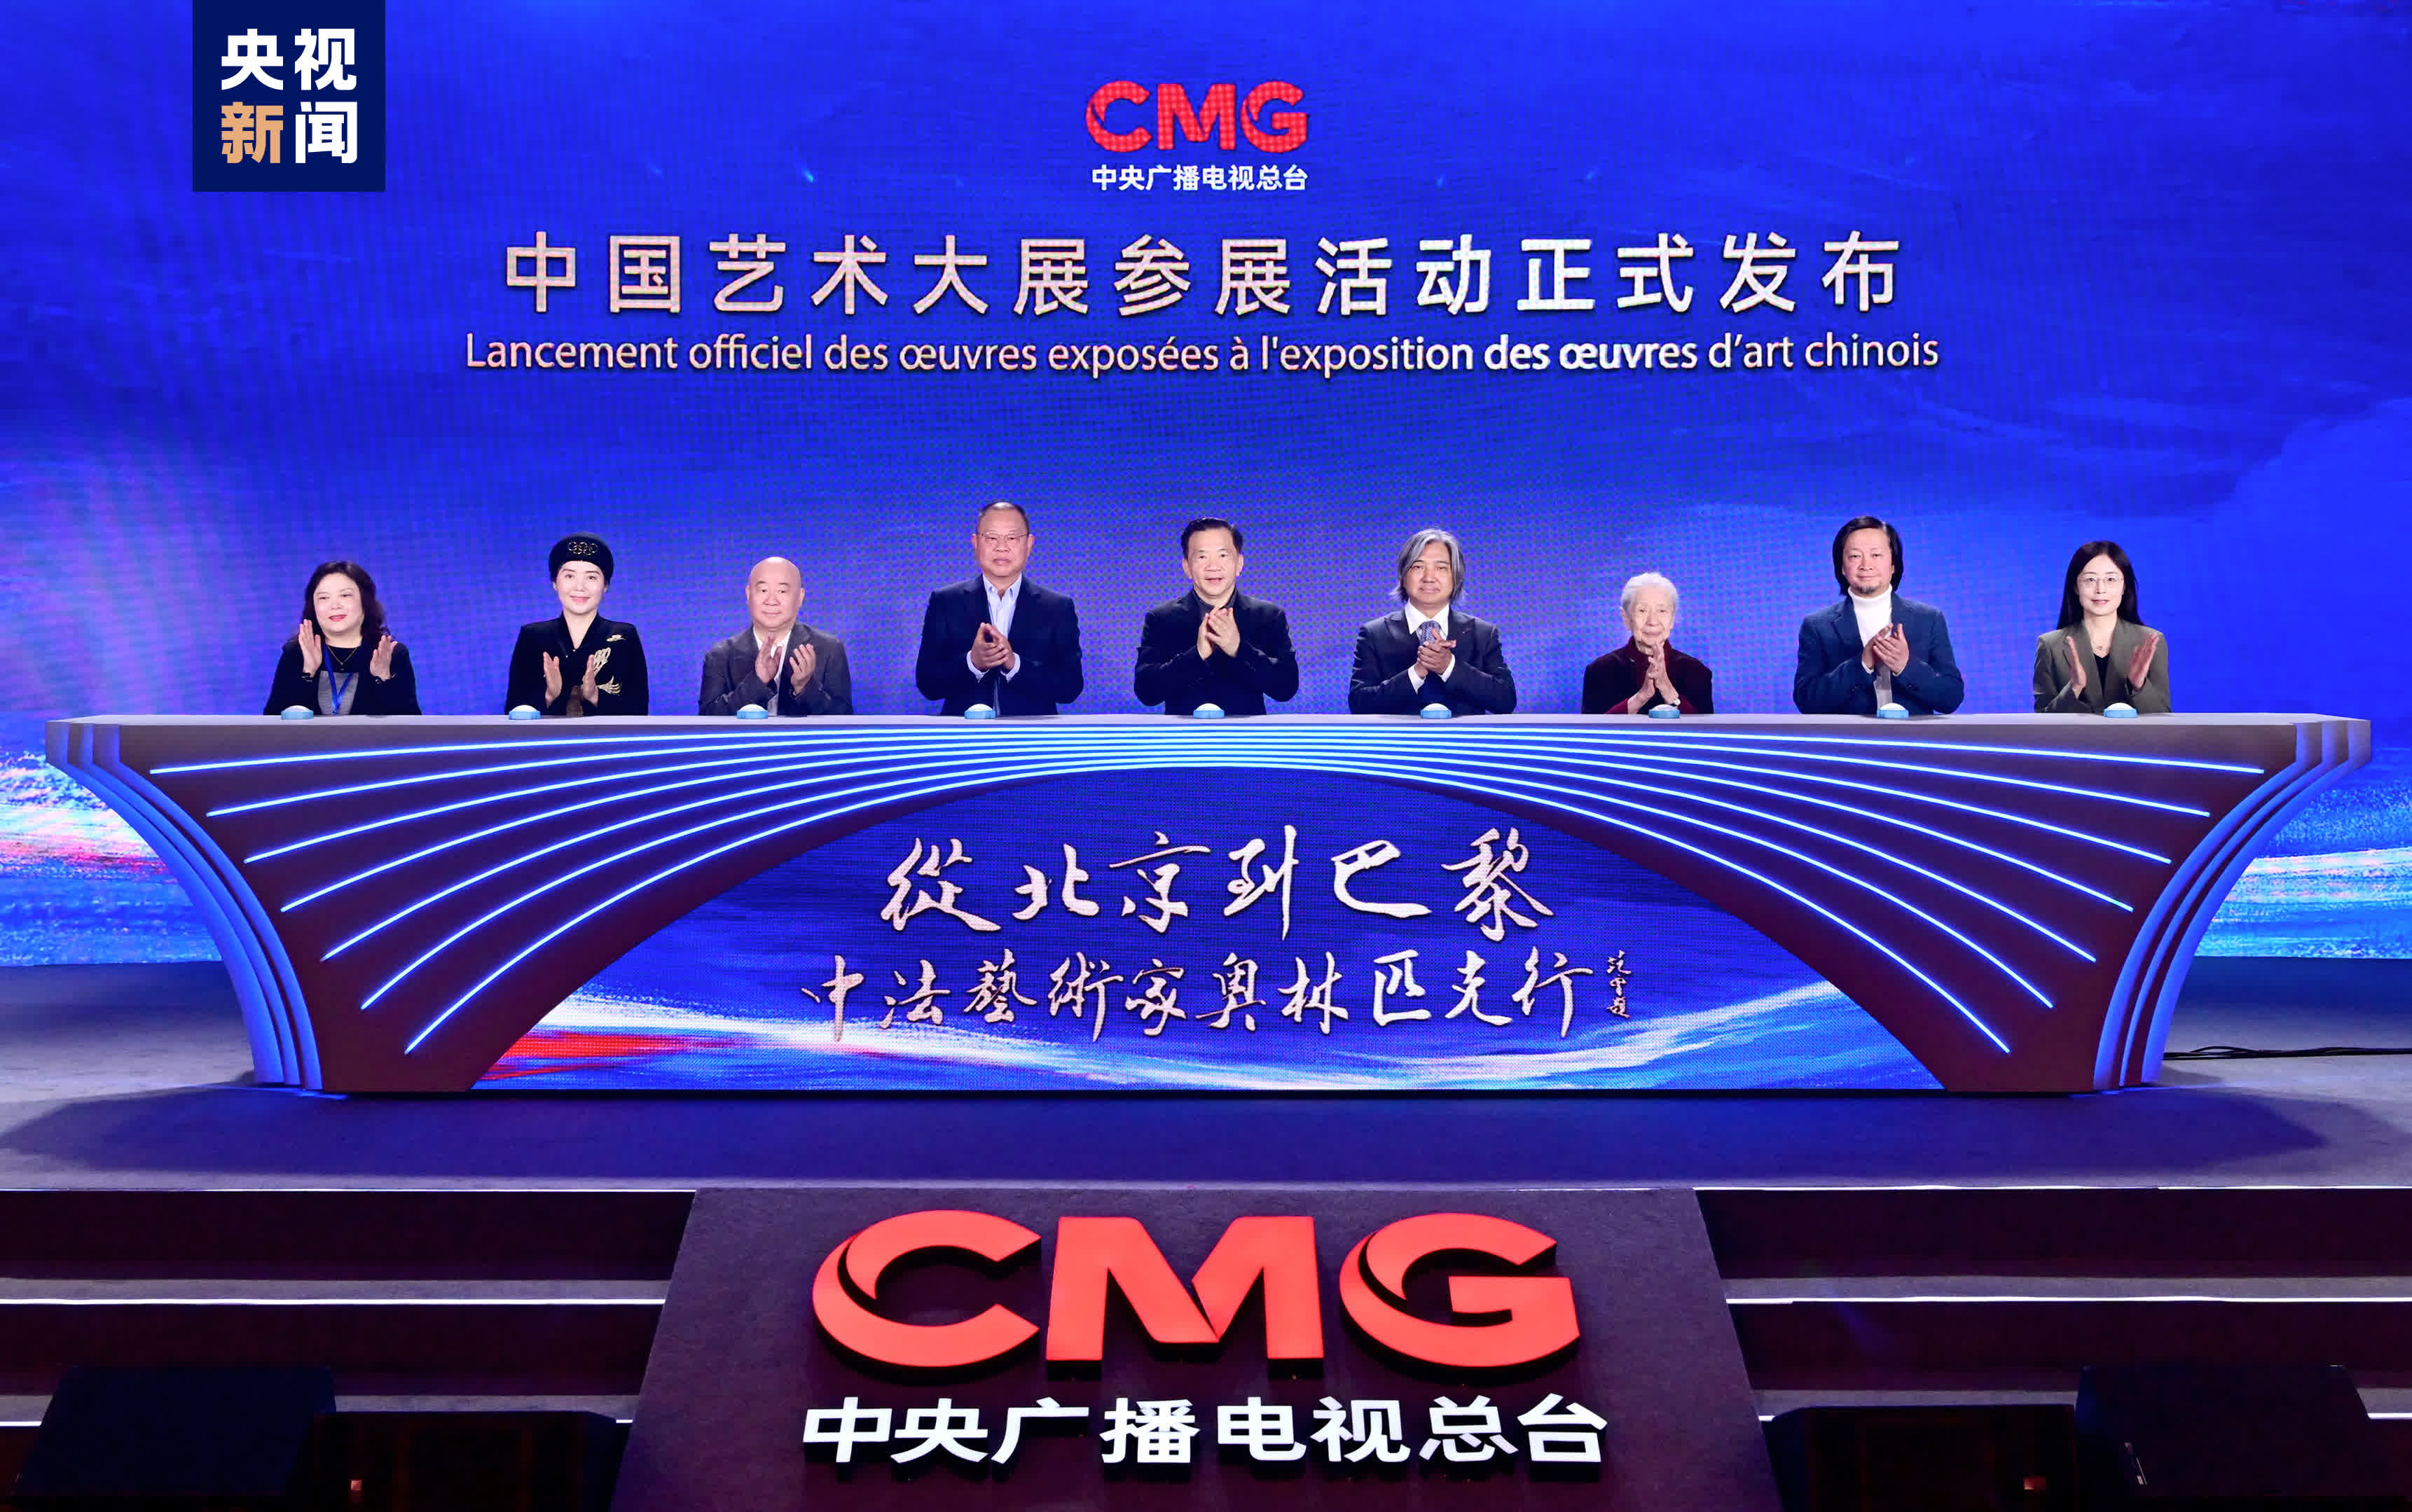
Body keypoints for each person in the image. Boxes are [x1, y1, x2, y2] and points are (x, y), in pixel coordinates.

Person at [914, 501, 1084, 716]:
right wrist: (972, 663)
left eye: (1012, 538)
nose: (1001, 547)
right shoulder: (945, 602)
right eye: (991, 538)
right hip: (964, 734)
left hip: (1031, 734)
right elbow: (928, 683)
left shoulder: (1057, 608)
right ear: (975, 543)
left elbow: (1070, 687)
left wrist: (1015, 665)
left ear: (1029, 544)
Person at [1793, 516, 1964, 716]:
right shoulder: (1817, 626)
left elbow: (1951, 698)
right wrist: (1862, 665)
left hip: (1914, 735)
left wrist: (1905, 666)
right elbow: (1807, 701)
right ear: (1841, 567)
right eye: (1855, 556)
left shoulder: (1929, 619)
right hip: (1850, 735)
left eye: (1876, 555)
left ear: (1893, 565)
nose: (1866, 565)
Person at [1131, 517, 1300, 717]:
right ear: (1187, 567)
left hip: (1247, 735)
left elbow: (1286, 687)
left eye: (1222, 555)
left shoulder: (1268, 616)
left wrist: (1239, 649)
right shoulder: (1161, 619)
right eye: (1202, 557)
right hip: (1184, 735)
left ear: (1239, 564)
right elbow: (1147, 692)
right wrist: (1197, 654)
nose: (1213, 566)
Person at [1347, 527, 1517, 716]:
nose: (1429, 578)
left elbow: (1506, 701)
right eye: (1418, 567)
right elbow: (1359, 705)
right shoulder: (1374, 634)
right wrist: (1415, 674)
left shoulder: (1482, 634)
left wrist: (1449, 666)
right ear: (1403, 576)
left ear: (1456, 577)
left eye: (1441, 568)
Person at [504, 533, 649, 716]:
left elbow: (639, 711)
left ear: (605, 585)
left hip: (605, 735)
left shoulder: (624, 636)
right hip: (547, 736)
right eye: (569, 576)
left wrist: (595, 696)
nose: (580, 587)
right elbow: (513, 710)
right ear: (555, 583)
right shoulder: (533, 636)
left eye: (591, 577)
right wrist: (549, 695)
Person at [698, 556, 854, 716]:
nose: (771, 601)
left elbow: (844, 718)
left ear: (800, 598)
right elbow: (708, 719)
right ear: (748, 594)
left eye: (782, 591)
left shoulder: (829, 649)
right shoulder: (720, 656)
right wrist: (757, 682)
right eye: (763, 590)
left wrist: (805, 687)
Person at [263, 560, 420, 715]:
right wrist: (307, 673)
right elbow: (273, 721)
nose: (335, 605)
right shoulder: (297, 653)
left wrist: (384, 679)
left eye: (345, 595)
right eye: (324, 598)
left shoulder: (390, 654)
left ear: (365, 601)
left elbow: (411, 725)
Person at [2032, 540, 2169, 713]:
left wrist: (2139, 686)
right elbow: (2042, 721)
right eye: (2090, 579)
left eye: (2111, 579)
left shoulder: (2150, 642)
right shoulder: (2050, 645)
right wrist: (2074, 689)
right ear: (2076, 587)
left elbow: (2163, 717)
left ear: (2124, 586)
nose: (2100, 589)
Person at [1581, 571, 1714, 714]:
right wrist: (1641, 696)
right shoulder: (1600, 670)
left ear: (1672, 619)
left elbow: (1704, 727)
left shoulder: (1696, 672)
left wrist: (1668, 690)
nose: (1652, 621)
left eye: (1662, 611)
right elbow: (1595, 727)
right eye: (1642, 610)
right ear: (1626, 618)